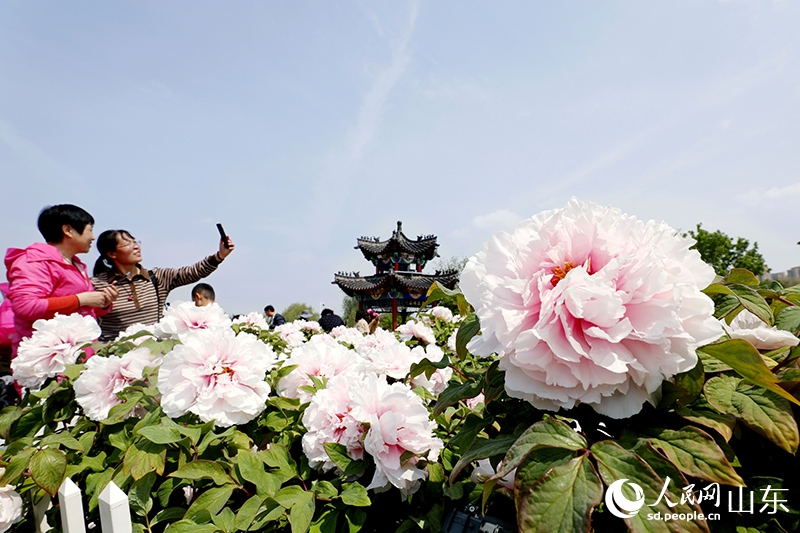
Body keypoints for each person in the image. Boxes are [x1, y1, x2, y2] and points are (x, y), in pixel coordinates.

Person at [4, 204, 118, 364]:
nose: (93, 237)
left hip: (77, 358)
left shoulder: (76, 265)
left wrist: (103, 303)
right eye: (90, 230)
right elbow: (26, 307)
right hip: (47, 363)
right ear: (68, 230)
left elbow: (79, 309)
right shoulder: (34, 262)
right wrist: (81, 299)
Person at [91, 229, 234, 340]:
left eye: (135, 242)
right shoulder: (97, 285)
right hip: (114, 358)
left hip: (152, 357)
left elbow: (192, 272)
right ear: (112, 254)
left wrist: (219, 256)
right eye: (128, 243)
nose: (136, 247)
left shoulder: (157, 278)